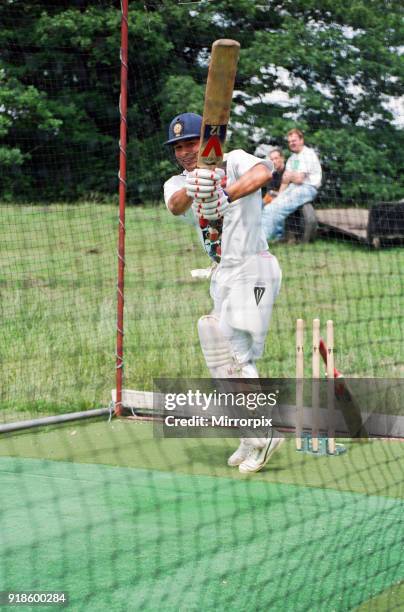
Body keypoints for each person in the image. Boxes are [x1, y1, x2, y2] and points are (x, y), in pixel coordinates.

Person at [163, 112, 284, 473]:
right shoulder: (178, 182)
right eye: (179, 146)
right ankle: (251, 435)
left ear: (208, 141)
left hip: (256, 268)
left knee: (234, 347)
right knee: (217, 347)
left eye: (191, 143)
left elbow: (264, 172)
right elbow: (175, 205)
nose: (185, 151)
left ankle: (267, 432)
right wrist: (198, 184)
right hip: (223, 274)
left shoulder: (234, 161)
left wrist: (224, 192)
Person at [262, 129, 322, 241]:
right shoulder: (292, 158)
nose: (291, 143)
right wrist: (279, 196)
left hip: (308, 188)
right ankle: (268, 238)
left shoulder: (308, 154)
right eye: (289, 141)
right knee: (270, 206)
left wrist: (291, 176)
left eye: (294, 140)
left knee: (276, 209)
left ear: (301, 140)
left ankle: (262, 241)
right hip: (293, 187)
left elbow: (299, 179)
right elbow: (285, 181)